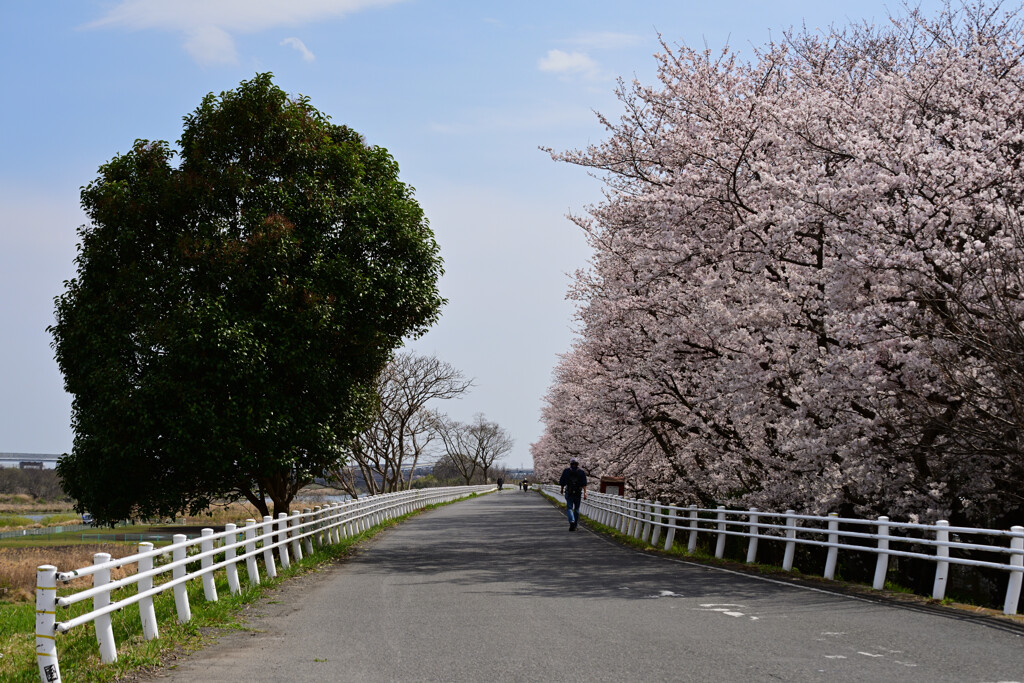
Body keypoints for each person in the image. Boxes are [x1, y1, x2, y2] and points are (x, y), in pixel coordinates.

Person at [558, 458, 587, 531]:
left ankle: (572, 521)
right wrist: (585, 493)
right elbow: (584, 483)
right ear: (577, 464)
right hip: (578, 492)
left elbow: (562, 481)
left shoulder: (566, 471)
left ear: (570, 464)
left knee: (569, 508)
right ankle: (575, 525)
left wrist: (561, 489)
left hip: (569, 491)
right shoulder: (581, 472)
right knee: (576, 509)